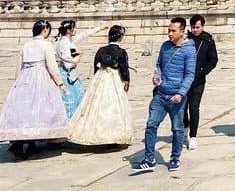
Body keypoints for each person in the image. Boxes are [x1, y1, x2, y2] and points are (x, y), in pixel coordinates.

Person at [0, 19, 70, 159]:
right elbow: (52, 66)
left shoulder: (26, 45)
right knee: (39, 110)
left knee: (25, 111)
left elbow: (19, 66)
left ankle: (25, 144)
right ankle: (29, 144)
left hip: (25, 78)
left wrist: (17, 82)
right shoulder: (46, 45)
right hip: (40, 78)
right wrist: (60, 83)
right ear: (45, 30)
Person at [131, 17, 196, 174]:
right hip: (161, 94)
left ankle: (175, 157)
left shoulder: (189, 50)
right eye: (169, 30)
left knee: (177, 128)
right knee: (151, 124)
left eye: (173, 31)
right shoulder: (165, 46)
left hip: (176, 96)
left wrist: (181, 93)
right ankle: (149, 159)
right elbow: (159, 64)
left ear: (182, 31)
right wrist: (156, 75)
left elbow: (189, 74)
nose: (170, 33)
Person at [68, 25, 132, 146]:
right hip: (114, 77)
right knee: (113, 105)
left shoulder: (101, 49)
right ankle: (112, 135)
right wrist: (126, 81)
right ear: (120, 37)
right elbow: (124, 68)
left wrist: (95, 78)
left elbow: (96, 63)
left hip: (101, 76)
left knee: (96, 104)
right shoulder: (121, 52)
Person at [55, 20, 106, 118]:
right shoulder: (65, 43)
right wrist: (77, 58)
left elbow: (83, 35)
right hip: (67, 73)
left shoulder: (68, 40)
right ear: (69, 30)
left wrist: (98, 28)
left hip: (69, 73)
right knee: (71, 98)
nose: (76, 29)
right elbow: (67, 63)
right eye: (74, 27)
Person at [184, 14, 219, 150]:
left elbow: (213, 60)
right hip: (184, 80)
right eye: (193, 27)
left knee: (194, 108)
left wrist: (203, 71)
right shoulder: (186, 40)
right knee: (182, 109)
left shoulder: (208, 41)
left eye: (197, 27)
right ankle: (185, 128)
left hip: (198, 80)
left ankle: (193, 136)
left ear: (202, 26)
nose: (195, 30)